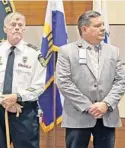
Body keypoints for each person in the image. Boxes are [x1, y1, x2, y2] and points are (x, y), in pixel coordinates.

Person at [56, 10, 125, 148]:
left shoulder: (113, 51)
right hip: (77, 116)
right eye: (98, 25)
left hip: (107, 115)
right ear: (84, 29)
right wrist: (89, 107)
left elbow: (121, 81)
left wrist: (105, 104)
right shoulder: (67, 51)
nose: (103, 28)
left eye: (103, 25)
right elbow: (64, 82)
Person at [0, 12, 46, 148]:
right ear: (5, 28)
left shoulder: (34, 54)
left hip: (25, 109)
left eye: (20, 25)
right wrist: (4, 101)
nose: (16, 28)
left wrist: (17, 97)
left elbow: (39, 84)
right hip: (0, 108)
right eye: (13, 25)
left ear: (24, 29)